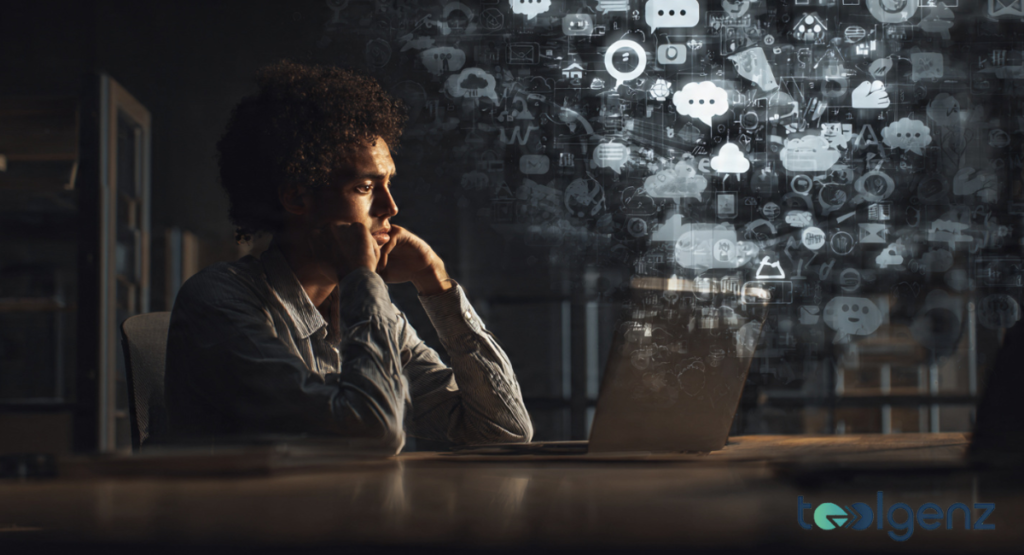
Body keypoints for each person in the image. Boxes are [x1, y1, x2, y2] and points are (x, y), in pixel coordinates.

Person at [163, 61, 533, 453]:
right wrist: (361, 279)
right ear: (297, 197)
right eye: (365, 187)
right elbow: (371, 432)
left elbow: (502, 429)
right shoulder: (219, 300)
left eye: (388, 184)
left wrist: (436, 285)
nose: (390, 206)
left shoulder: (365, 304)